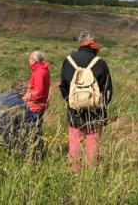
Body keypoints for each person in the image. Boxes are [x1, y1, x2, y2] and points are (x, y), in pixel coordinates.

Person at [59, 30, 112, 173]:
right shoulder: (100, 63)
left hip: (74, 111)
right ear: (92, 42)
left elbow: (63, 86)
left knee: (75, 144)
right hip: (95, 112)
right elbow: (108, 90)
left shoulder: (68, 60)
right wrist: (101, 105)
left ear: (79, 43)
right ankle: (91, 175)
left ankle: (74, 172)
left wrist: (70, 102)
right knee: (93, 144)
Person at [0, 79, 34, 152]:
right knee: (32, 126)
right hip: (7, 135)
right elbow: (31, 119)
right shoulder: (20, 103)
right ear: (23, 91)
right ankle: (26, 152)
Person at [23, 50, 51, 154]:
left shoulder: (39, 72)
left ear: (34, 61)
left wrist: (25, 98)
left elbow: (38, 92)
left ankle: (35, 154)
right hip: (39, 106)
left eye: (30, 59)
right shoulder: (42, 70)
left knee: (33, 132)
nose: (28, 61)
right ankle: (38, 153)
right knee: (37, 131)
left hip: (35, 107)